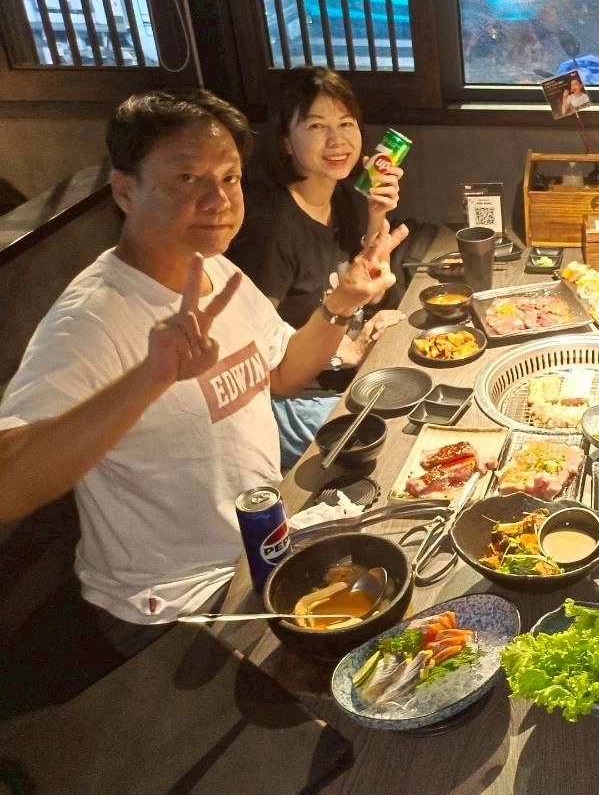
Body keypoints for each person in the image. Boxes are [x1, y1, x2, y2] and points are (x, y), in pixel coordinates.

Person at [0, 89, 405, 713]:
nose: (217, 200)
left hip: (261, 552)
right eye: (187, 178)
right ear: (125, 190)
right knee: (375, 709)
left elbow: (283, 375)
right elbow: (7, 484)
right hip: (174, 607)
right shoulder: (92, 317)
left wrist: (341, 304)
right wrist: (150, 376)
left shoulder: (217, 271)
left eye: (229, 177)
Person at [227, 66, 407, 467]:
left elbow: (371, 293)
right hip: (293, 401)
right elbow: (254, 359)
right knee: (400, 440)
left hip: (343, 375)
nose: (336, 139)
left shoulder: (341, 197)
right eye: (316, 126)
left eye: (345, 123)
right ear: (285, 142)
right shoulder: (271, 230)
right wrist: (346, 352)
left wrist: (376, 216)